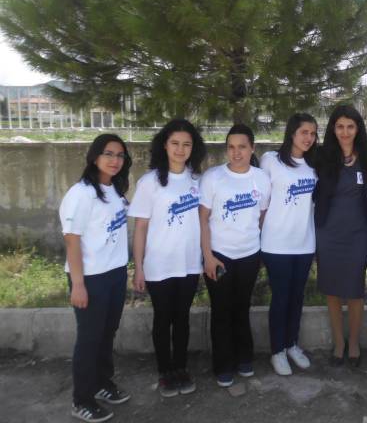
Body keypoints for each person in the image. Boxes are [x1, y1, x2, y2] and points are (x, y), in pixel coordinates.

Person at [129, 119, 207, 397]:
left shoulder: (198, 180)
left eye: (186, 144)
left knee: (182, 317)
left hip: (188, 263)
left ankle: (181, 368)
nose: (180, 149)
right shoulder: (149, 182)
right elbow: (140, 228)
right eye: (175, 143)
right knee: (163, 318)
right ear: (165, 144)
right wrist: (138, 268)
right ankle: (165, 372)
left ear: (193, 148)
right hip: (158, 265)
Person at [59, 134, 132, 422]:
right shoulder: (81, 194)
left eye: (120, 155)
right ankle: (81, 400)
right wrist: (78, 285)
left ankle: (103, 384)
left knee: (107, 334)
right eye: (108, 154)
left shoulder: (114, 188)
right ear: (94, 157)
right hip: (90, 278)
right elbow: (72, 241)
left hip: (114, 273)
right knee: (89, 340)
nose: (115, 160)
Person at [198, 124, 271, 387]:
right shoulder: (213, 178)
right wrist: (208, 256)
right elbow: (203, 219)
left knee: (242, 307)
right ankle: (223, 365)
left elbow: (261, 218)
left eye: (242, 146)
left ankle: (244, 358)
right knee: (221, 310)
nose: (236, 152)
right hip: (219, 255)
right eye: (231, 146)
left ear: (253, 148)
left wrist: (259, 250)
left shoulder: (261, 178)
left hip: (250, 255)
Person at [260, 113, 319, 375]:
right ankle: (277, 351)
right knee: (281, 297)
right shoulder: (271, 160)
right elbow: (261, 204)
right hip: (276, 243)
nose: (309, 138)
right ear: (292, 132)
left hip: (304, 242)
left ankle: (292, 344)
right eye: (304, 132)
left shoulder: (314, 165)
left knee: (297, 297)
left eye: (313, 133)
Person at [314, 105, 367, 368]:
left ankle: (354, 342)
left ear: (357, 128)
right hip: (328, 232)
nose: (345, 132)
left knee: (355, 290)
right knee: (333, 290)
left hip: (358, 232)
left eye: (350, 126)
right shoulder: (322, 157)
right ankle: (339, 342)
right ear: (333, 129)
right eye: (340, 126)